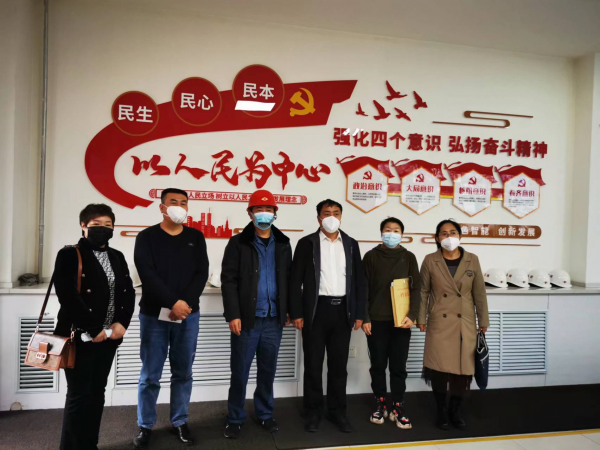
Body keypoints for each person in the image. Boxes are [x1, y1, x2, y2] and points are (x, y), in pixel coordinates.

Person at [55, 203, 135, 449]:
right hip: (80, 337)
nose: (103, 229)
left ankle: (90, 445)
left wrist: (122, 323)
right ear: (83, 226)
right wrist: (93, 328)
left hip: (109, 337)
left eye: (108, 225)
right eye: (96, 224)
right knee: (79, 395)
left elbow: (128, 292)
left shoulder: (117, 256)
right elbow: (68, 296)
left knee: (97, 393)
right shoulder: (69, 254)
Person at [133, 188, 209, 448]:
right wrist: (172, 303)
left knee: (183, 372)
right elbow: (147, 274)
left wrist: (184, 304)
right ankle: (145, 425)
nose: (179, 206)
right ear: (162, 207)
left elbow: (202, 273)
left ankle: (180, 421)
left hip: (188, 315)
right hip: (154, 315)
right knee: (150, 375)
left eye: (183, 203)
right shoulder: (146, 237)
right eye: (173, 202)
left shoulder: (196, 237)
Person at [289, 199, 367, 433]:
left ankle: (337, 411)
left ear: (341, 217)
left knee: (339, 366)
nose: (331, 217)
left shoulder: (351, 244)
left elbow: (359, 281)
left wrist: (359, 313)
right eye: (326, 213)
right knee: (313, 365)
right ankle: (313, 412)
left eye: (336, 213)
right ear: (318, 218)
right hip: (315, 310)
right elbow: (295, 280)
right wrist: (296, 312)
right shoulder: (306, 243)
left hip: (342, 311)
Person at [221, 190, 293, 439]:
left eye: (268, 209)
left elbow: (289, 280)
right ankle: (235, 417)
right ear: (250, 213)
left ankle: (264, 413)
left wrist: (288, 310)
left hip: (274, 320)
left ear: (275, 213)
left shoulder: (283, 243)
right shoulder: (238, 243)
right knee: (239, 372)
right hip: (247, 320)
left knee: (267, 370)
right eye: (258, 209)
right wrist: (233, 314)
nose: (264, 213)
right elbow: (229, 280)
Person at [418, 219, 489, 430]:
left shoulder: (472, 260)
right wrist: (421, 318)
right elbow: (423, 291)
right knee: (439, 370)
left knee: (463, 371)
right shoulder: (430, 260)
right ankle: (441, 410)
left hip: (464, 322)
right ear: (437, 238)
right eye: (443, 233)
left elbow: (479, 292)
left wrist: (483, 320)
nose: (448, 237)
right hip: (439, 322)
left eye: (452, 232)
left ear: (460, 236)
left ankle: (455, 411)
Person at [362, 217, 421, 429]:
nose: (392, 233)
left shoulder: (409, 257)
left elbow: (417, 289)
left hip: (401, 322)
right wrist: (365, 317)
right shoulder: (370, 256)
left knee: (398, 367)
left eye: (396, 230)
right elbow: (363, 288)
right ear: (381, 233)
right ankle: (380, 403)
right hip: (376, 321)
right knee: (378, 366)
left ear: (402, 234)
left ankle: (398, 406)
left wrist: (412, 315)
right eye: (388, 229)